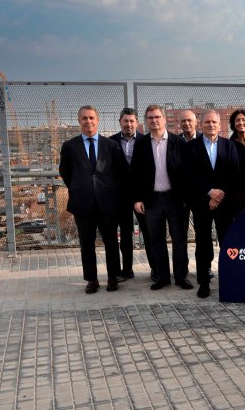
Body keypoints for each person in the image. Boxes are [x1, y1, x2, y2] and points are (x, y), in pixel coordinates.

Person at [59, 105, 125, 294]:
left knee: (111, 241)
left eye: (91, 118)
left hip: (107, 202)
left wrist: (110, 190)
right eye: (84, 118)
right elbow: (65, 172)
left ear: (97, 120)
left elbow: (119, 171)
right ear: (79, 121)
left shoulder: (110, 145)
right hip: (83, 203)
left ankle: (113, 277)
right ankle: (92, 279)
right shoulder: (70, 146)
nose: (88, 121)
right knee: (86, 243)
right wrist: (79, 187)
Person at [184, 109, 241, 299]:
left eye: (214, 122)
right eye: (207, 122)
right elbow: (190, 176)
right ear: (201, 125)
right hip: (202, 204)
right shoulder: (191, 147)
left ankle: (231, 277)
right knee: (202, 243)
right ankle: (204, 282)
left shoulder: (229, 146)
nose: (211, 125)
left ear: (220, 124)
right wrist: (209, 192)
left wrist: (219, 195)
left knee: (227, 241)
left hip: (224, 204)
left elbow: (234, 174)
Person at [134, 105, 190, 291]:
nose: (154, 120)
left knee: (179, 239)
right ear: (146, 120)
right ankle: (162, 277)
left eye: (157, 116)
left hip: (175, 200)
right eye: (150, 117)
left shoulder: (178, 142)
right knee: (156, 240)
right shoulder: (141, 144)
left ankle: (181, 277)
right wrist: (137, 198)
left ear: (164, 119)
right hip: (152, 201)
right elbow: (136, 174)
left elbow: (186, 172)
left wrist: (184, 198)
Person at [109, 107, 148, 282]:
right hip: (120, 196)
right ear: (120, 122)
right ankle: (126, 270)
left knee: (148, 232)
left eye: (132, 121)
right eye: (125, 121)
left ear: (137, 123)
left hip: (142, 195)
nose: (129, 124)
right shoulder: (110, 142)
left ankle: (156, 270)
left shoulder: (145, 141)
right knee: (125, 234)